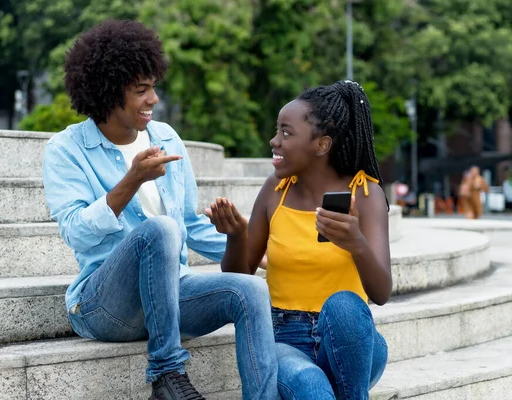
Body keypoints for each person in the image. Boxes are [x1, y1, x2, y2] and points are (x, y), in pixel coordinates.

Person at [42, 20, 279, 400]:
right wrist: (130, 181)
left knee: (250, 290)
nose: (154, 99)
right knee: (161, 229)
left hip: (172, 292)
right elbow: (75, 231)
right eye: (141, 91)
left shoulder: (166, 138)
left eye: (153, 87)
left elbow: (190, 225)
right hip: (104, 306)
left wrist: (266, 255)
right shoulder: (65, 150)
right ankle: (168, 375)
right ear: (106, 92)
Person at [207, 80, 390, 399]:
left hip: (351, 342)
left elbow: (382, 292)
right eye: (277, 131)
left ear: (321, 145)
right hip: (285, 339)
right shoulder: (275, 192)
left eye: (286, 133)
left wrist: (356, 242)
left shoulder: (365, 193)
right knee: (312, 386)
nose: (274, 141)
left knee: (345, 304)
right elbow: (240, 279)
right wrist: (236, 236)